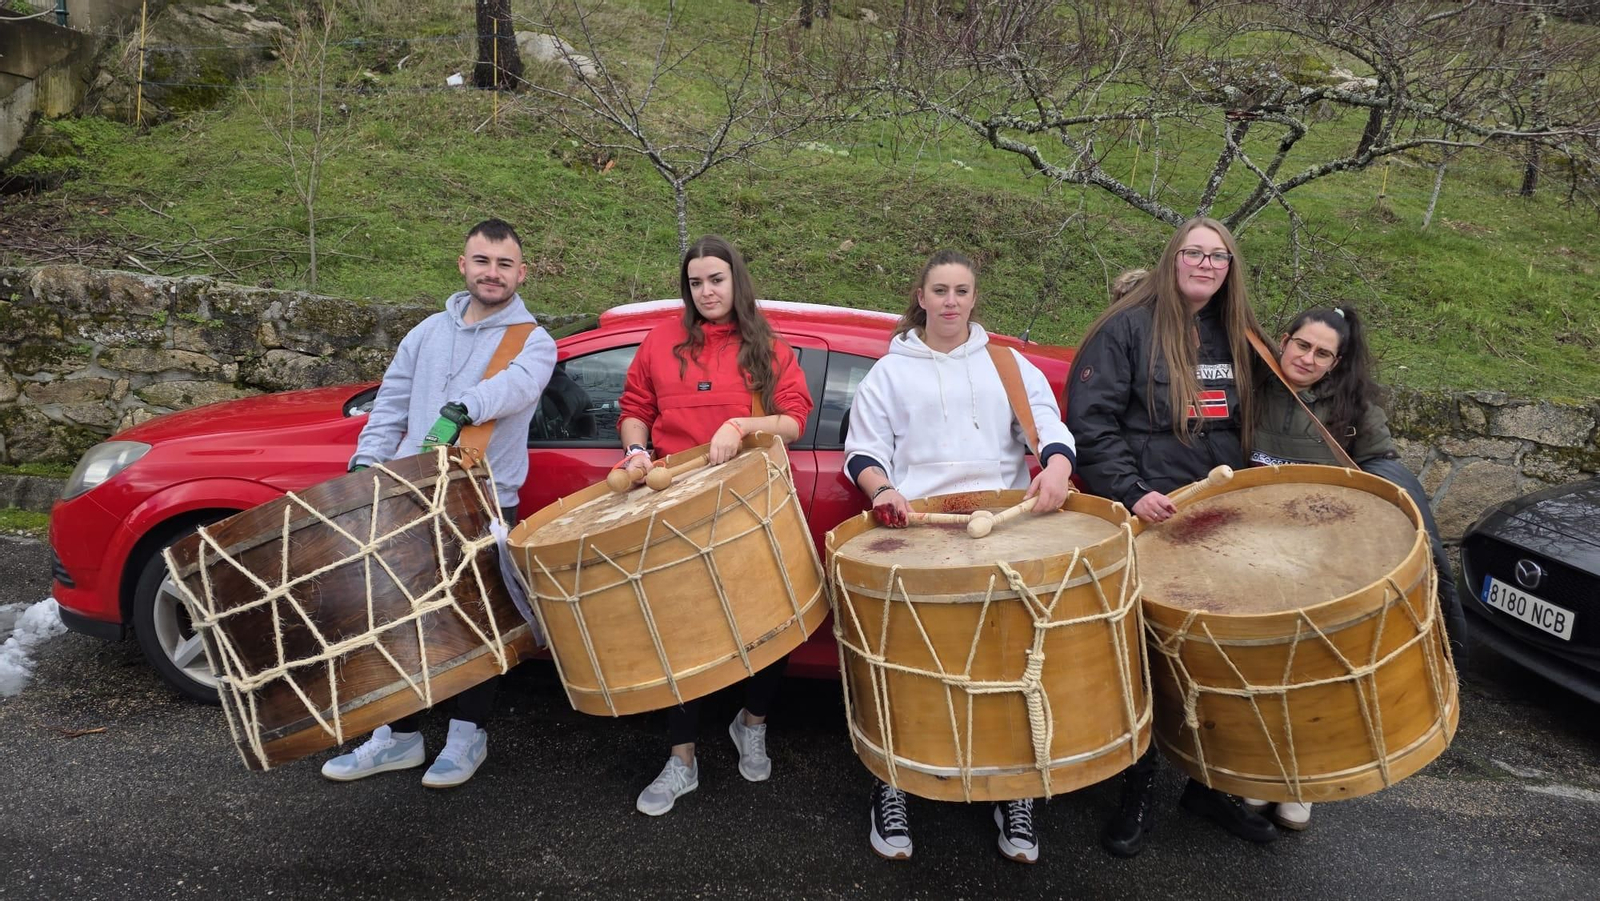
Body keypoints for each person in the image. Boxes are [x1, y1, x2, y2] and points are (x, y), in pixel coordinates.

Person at [843, 250, 1078, 864]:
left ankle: (1015, 791)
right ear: (920, 296)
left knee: (1011, 665)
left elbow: (1049, 427)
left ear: (975, 299)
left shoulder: (1007, 364)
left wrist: (1056, 465)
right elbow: (863, 453)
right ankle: (893, 784)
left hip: (1005, 530)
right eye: (940, 290)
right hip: (922, 531)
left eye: (962, 291)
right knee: (912, 666)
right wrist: (884, 490)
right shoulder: (888, 374)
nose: (951, 301)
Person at [1066, 217, 1279, 855]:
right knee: (1146, 660)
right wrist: (1132, 492)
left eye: (1217, 256)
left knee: (1218, 656)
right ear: (1173, 257)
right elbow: (1092, 424)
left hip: (1216, 521)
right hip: (1148, 518)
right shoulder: (1125, 328)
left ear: (1230, 268)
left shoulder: (1239, 334)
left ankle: (1209, 787)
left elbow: (1266, 421)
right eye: (1194, 252)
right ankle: (1137, 789)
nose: (1205, 264)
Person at [321, 218, 557, 788]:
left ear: (521, 273)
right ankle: (394, 737)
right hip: (406, 497)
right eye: (482, 261)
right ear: (463, 265)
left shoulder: (534, 341)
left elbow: (516, 387)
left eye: (504, 264)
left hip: (480, 503)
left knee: (473, 626)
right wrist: (365, 463)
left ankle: (464, 738)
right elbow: (392, 405)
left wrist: (461, 407)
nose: (492, 273)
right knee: (391, 620)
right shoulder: (426, 332)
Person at [1245, 303, 1470, 831]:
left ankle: (1300, 782)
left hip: (1324, 557)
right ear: (1284, 339)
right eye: (1302, 345)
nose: (1308, 357)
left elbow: (1380, 468)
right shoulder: (1250, 384)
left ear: (1336, 361)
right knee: (1258, 667)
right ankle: (1256, 773)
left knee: (1312, 675)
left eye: (1323, 353)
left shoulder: (1353, 406)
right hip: (1252, 551)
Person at [616, 235, 814, 816]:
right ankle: (682, 762)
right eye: (697, 282)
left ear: (736, 282)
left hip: (749, 503)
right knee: (677, 635)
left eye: (717, 280)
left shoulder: (766, 345)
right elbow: (634, 408)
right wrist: (635, 452)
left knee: (769, 627)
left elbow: (796, 421)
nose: (707, 291)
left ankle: (751, 723)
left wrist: (741, 424)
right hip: (676, 506)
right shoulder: (660, 341)